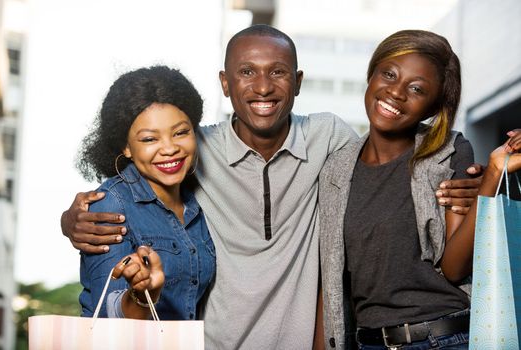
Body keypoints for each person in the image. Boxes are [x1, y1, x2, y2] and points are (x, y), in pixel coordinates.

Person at [61, 25, 482, 349]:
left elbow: (393, 146)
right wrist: (70, 219)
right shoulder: (194, 148)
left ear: (297, 82)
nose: (262, 87)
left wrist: (460, 177)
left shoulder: (330, 140)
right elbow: (137, 174)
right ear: (225, 84)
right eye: (246, 73)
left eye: (277, 72)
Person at [319, 29, 521, 350]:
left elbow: (454, 268)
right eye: (389, 75)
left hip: (442, 338)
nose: (396, 92)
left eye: (416, 89)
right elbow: (329, 280)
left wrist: (493, 174)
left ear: (432, 107)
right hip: (368, 341)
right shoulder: (336, 168)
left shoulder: (448, 150)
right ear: (371, 75)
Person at [76, 65, 215, 321]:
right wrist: (141, 295)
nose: (170, 148)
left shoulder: (200, 202)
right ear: (126, 147)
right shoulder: (110, 205)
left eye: (181, 132)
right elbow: (111, 312)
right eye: (150, 139)